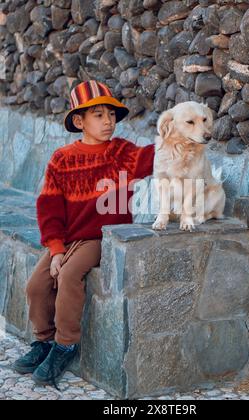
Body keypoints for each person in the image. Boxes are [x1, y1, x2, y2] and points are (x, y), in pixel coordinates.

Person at [13, 80, 155, 388]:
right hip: (66, 238)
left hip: (99, 237)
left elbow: (153, 157)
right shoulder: (62, 159)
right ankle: (45, 342)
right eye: (99, 115)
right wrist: (55, 249)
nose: (108, 122)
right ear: (79, 121)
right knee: (37, 285)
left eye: (112, 115)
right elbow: (49, 207)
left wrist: (180, 136)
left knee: (69, 276)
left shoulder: (122, 153)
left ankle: (66, 344)